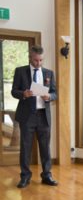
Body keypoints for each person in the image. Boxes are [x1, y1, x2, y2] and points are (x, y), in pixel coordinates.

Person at [11, 45, 58, 188]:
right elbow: (14, 91)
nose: (38, 63)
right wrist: (23, 94)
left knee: (45, 147)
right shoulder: (20, 71)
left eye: (41, 60)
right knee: (25, 148)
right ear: (30, 58)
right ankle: (25, 177)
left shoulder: (49, 73)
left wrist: (49, 96)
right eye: (36, 60)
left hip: (43, 116)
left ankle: (47, 175)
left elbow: (55, 93)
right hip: (27, 116)